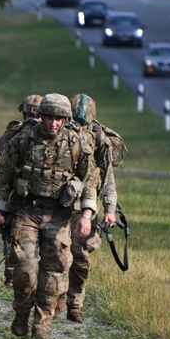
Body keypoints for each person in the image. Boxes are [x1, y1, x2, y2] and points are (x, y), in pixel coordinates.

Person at [0, 93, 96, 339]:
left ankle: (42, 325)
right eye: (49, 117)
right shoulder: (23, 139)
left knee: (53, 273)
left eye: (59, 119)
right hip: (26, 212)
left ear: (65, 119)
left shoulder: (76, 142)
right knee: (24, 270)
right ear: (42, 116)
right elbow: (4, 176)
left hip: (59, 216)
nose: (53, 123)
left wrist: (87, 215)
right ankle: (21, 314)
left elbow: (90, 180)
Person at [58, 93, 119, 323]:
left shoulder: (98, 139)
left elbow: (107, 177)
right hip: (60, 202)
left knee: (81, 255)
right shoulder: (61, 132)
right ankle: (57, 299)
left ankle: (75, 304)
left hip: (87, 205)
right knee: (56, 254)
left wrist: (110, 208)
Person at [0, 94, 42, 286]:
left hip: (39, 198)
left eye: (37, 115)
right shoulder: (12, 135)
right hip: (12, 194)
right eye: (29, 114)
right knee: (11, 235)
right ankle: (11, 274)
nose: (33, 119)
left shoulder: (53, 136)